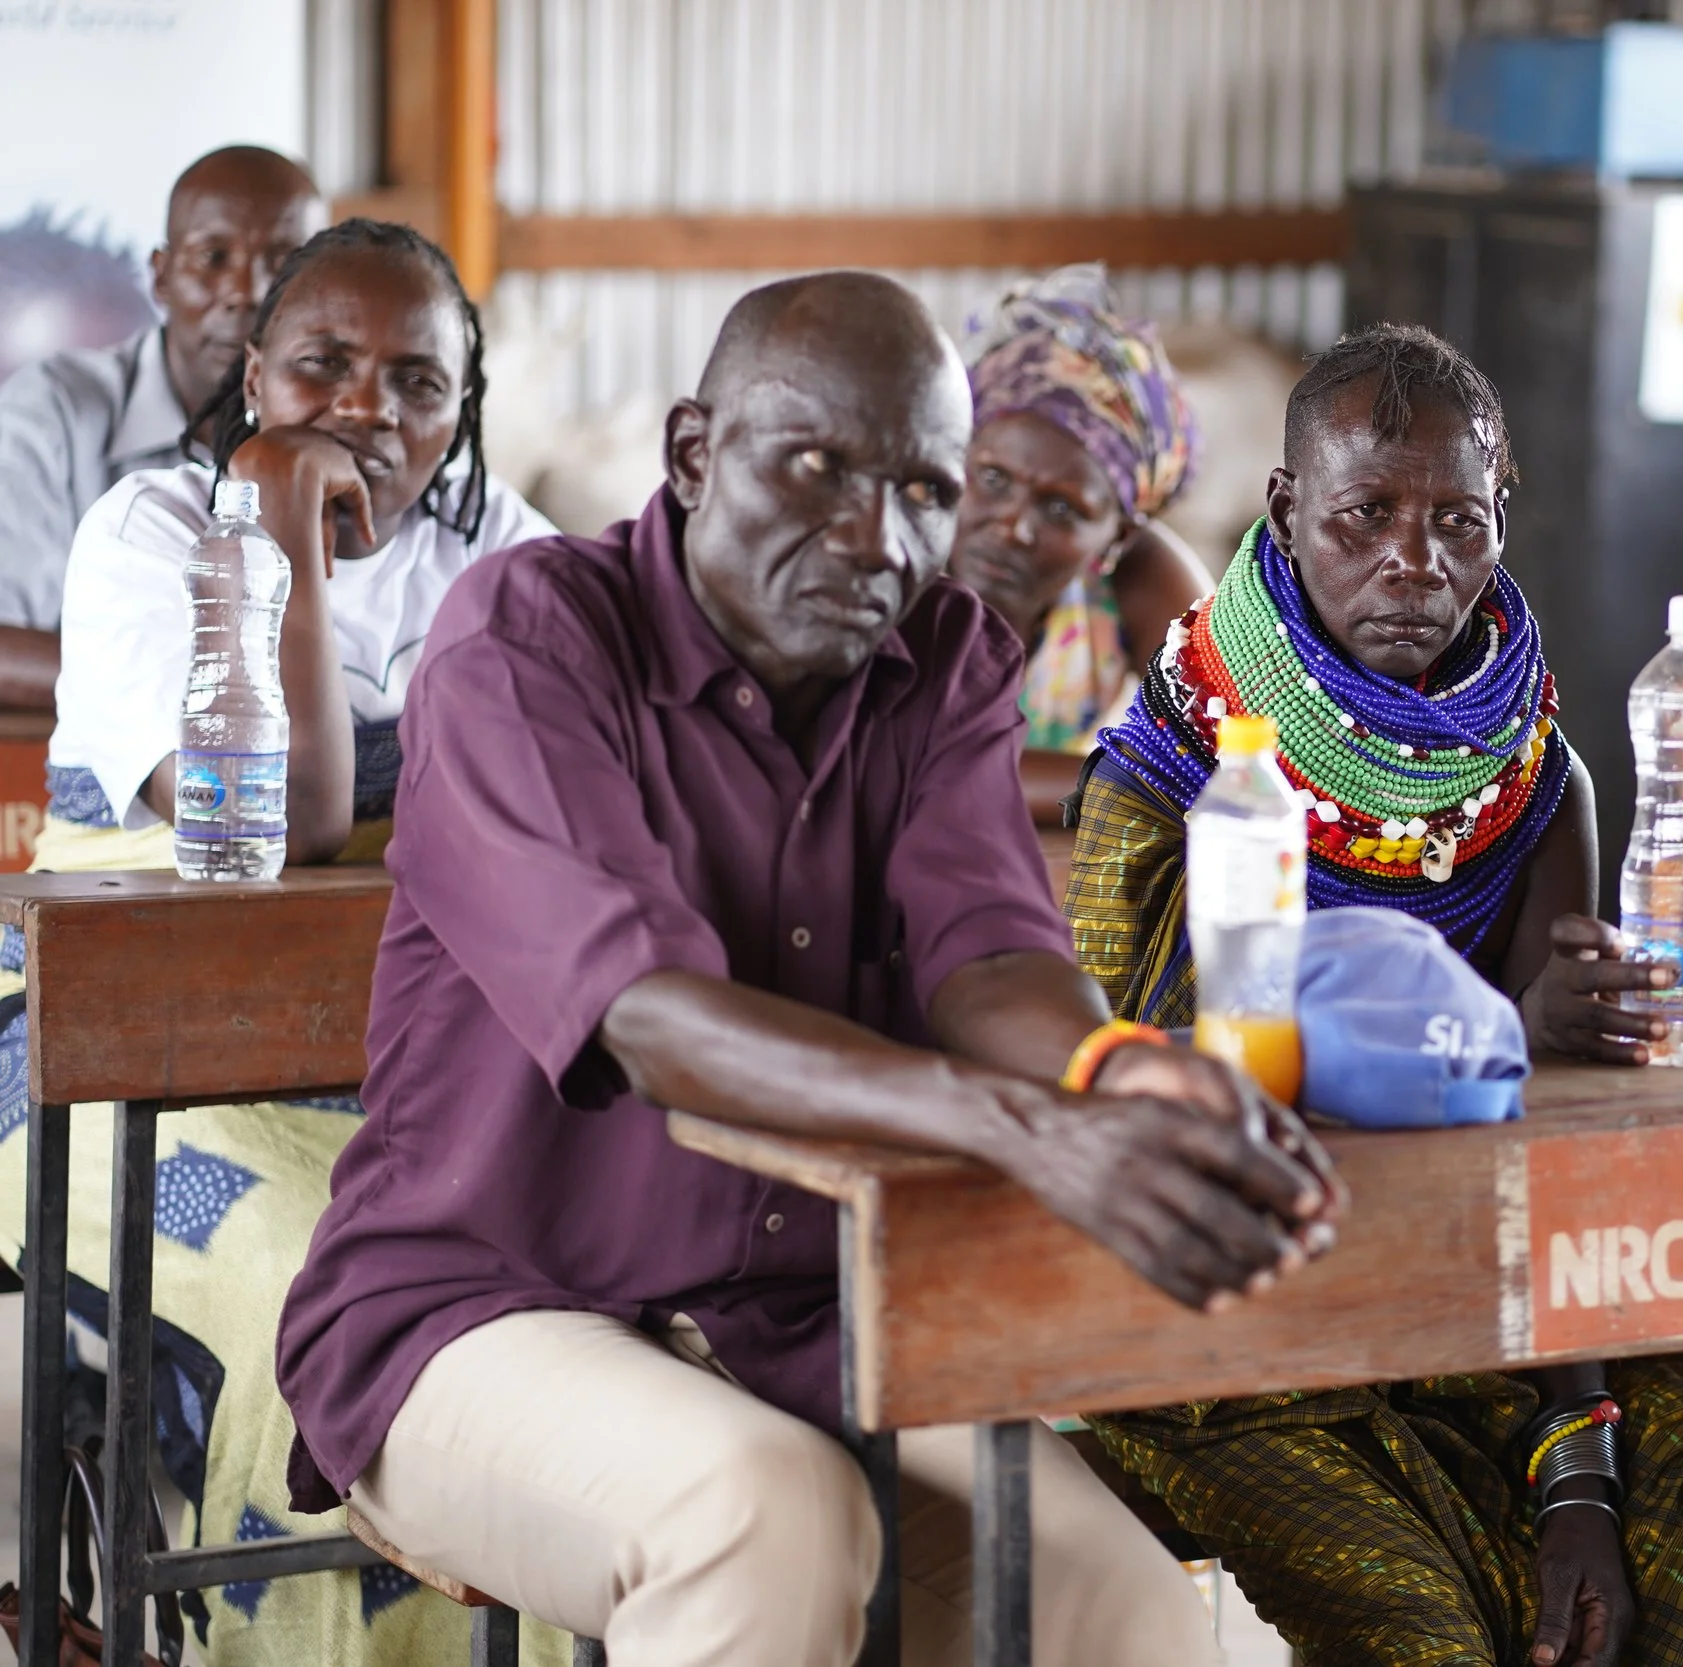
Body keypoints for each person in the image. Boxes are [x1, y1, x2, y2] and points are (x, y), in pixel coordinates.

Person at [274, 270, 1344, 1667]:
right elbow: (650, 1018)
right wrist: (1028, 1125)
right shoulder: (526, 638)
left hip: (797, 1324)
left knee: (1137, 1614)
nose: (874, 538)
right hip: (482, 1303)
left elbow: (989, 950)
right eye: (818, 468)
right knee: (766, 1517)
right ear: (691, 456)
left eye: (922, 490)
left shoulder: (942, 658)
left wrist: (1117, 1069)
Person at [1069, 324, 1683, 1667]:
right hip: (1231, 1354)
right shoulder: (1166, 782)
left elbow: (1549, 1161)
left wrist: (1577, 1461)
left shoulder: (1534, 787)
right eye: (1366, 515)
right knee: (1429, 1635)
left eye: (1460, 518)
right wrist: (1504, 1029)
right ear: (1285, 511)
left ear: (1505, 512)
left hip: (1498, 1338)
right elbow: (1161, 1110)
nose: (1416, 558)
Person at [0, 217, 553, 1661]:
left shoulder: (507, 554)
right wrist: (284, 514)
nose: (371, 408)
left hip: (404, 1053)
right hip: (101, 1065)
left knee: (544, 1246)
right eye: (325, 367)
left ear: (463, 402)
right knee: (309, 1263)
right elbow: (280, 822)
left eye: (418, 381)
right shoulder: (149, 530)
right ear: (254, 379)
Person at [0, 146, 323, 708]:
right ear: (161, 278)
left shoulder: (356, 421)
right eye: (213, 257)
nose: (247, 291)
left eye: (283, 262)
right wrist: (217, 700)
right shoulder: (53, 412)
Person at [948, 264, 1210, 812]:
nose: (1013, 527)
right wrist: (1126, 786)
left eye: (1062, 508)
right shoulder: (898, 566)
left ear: (1119, 534)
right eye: (993, 479)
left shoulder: (1140, 582)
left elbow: (1223, 756)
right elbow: (933, 769)